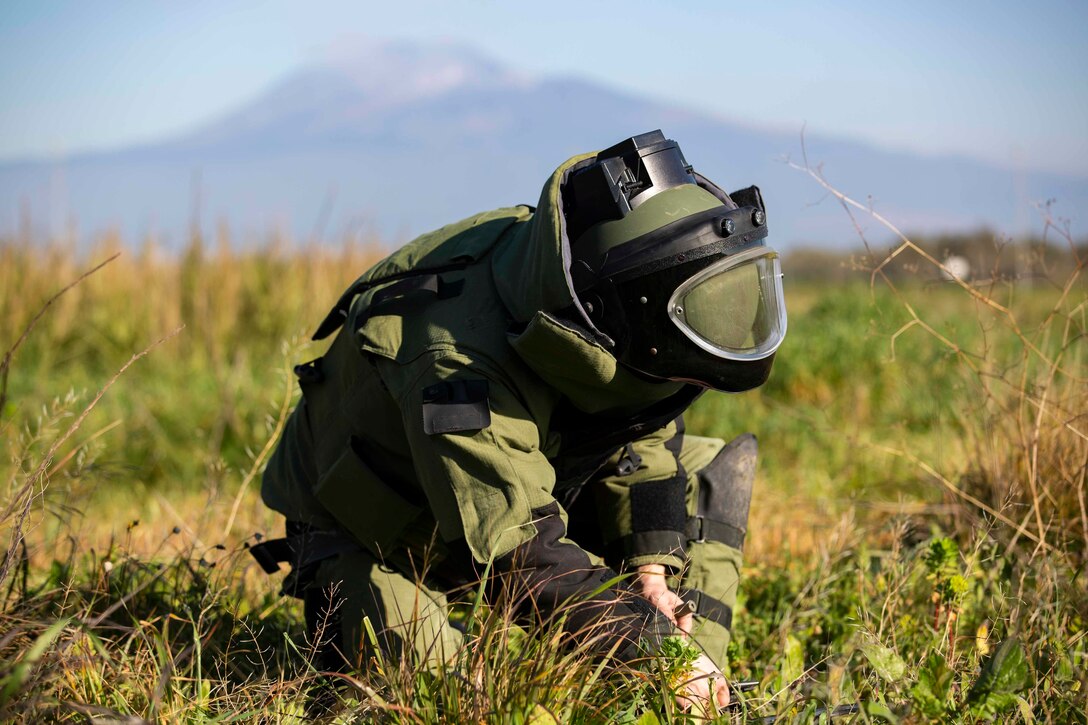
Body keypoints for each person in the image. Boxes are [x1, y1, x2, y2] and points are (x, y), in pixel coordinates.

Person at [251, 130, 787, 711]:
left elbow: (645, 437)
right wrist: (647, 641)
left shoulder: (592, 297)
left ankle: (699, 699)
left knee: (702, 475)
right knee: (457, 702)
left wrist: (650, 574)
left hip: (526, 476)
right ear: (612, 308)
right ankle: (665, 671)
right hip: (382, 531)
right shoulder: (455, 367)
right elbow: (517, 553)